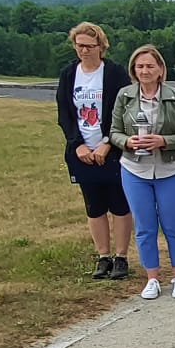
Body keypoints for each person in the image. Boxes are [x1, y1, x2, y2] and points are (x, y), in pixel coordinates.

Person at [112, 44, 175, 300]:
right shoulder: (125, 96)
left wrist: (163, 141)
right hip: (135, 169)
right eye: (139, 66)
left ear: (160, 70)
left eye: (150, 66)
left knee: (172, 224)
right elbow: (114, 132)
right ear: (133, 70)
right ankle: (152, 278)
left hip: (169, 169)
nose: (144, 71)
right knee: (145, 226)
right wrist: (127, 141)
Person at [55, 21, 132, 280]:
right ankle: (103, 256)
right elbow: (65, 113)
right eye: (80, 46)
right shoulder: (69, 74)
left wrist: (108, 142)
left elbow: (124, 111)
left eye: (89, 46)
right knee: (94, 205)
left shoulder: (114, 73)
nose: (84, 51)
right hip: (82, 151)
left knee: (119, 203)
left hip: (112, 149)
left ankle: (121, 257)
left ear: (101, 46)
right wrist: (77, 144)